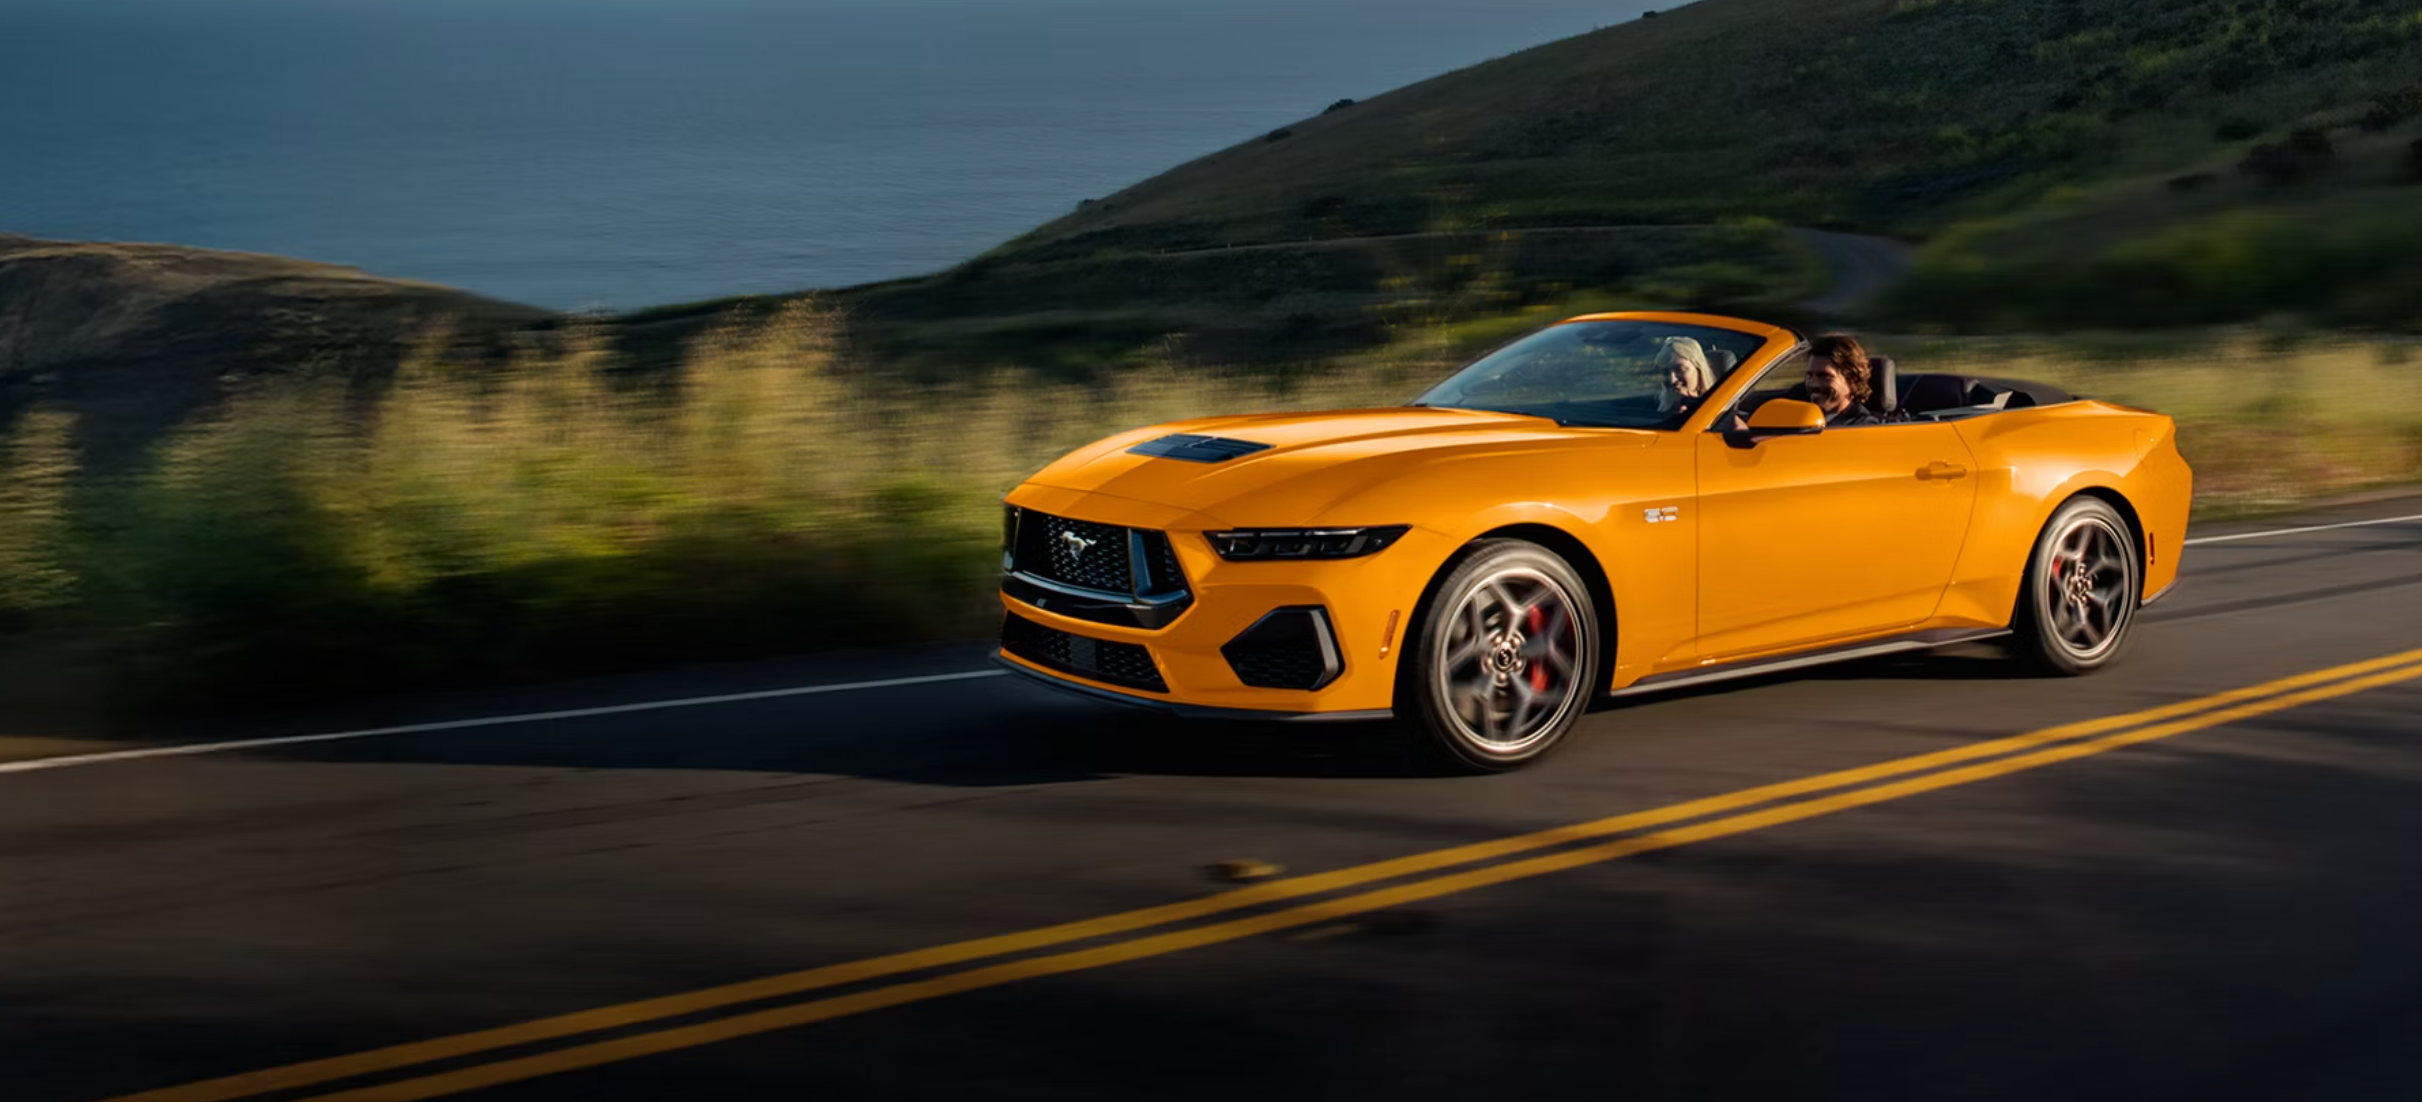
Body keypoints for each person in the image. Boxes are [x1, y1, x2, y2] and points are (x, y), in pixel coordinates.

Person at [1801, 332, 1881, 427]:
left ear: (1852, 381)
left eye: (1825, 376)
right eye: (1810, 375)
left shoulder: (1862, 427)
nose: (1814, 384)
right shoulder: (1801, 412)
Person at [1654, 335, 1716, 416]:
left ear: (1699, 369)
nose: (1672, 380)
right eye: (1666, 372)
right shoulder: (1652, 408)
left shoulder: (1723, 410)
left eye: (1680, 370)